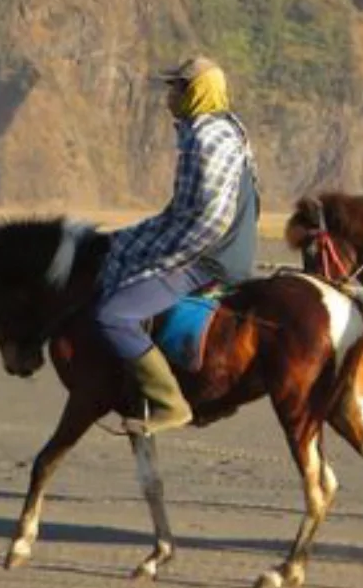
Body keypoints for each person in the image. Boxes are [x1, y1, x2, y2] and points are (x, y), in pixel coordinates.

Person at [94, 55, 261, 436]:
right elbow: (186, 211)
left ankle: (170, 403)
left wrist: (161, 257)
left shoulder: (205, 138)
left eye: (177, 86)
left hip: (211, 257)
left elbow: (208, 218)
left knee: (113, 315)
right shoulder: (229, 130)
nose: (170, 94)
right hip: (226, 251)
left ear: (194, 92)